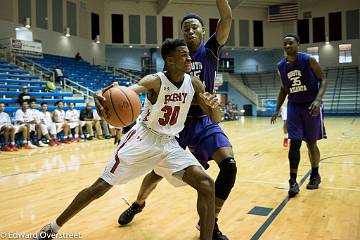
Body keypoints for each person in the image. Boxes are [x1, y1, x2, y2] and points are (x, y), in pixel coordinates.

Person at [35, 38, 221, 240]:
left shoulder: (194, 83)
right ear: (170, 60)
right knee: (100, 188)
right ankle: (52, 228)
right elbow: (130, 91)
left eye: (188, 54)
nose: (189, 58)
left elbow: (215, 119)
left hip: (169, 144)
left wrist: (213, 106)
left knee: (206, 184)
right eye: (183, 54)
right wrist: (104, 95)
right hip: (143, 140)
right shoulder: (155, 81)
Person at [118, 2, 235, 239]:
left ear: (203, 32)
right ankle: (138, 203)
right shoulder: (173, 59)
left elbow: (227, 18)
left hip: (204, 120)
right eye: (186, 29)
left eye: (194, 28)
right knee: (157, 172)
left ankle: (211, 222)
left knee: (229, 167)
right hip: (177, 123)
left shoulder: (210, 49)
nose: (190, 32)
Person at [270, 33, 327, 198]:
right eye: (285, 44)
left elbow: (323, 79)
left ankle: (315, 174)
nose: (287, 46)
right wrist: (277, 109)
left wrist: (318, 100)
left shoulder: (308, 60)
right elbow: (283, 89)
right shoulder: (281, 65)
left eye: (290, 43)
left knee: (311, 143)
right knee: (294, 143)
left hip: (311, 105)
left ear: (298, 44)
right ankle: (293, 182)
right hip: (294, 106)